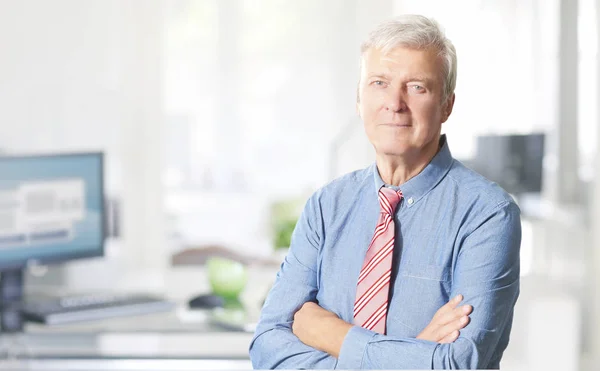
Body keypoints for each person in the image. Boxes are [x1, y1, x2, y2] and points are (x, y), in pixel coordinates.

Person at [249, 14, 521, 369]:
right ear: (360, 100)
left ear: (447, 105)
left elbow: (457, 364)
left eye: (417, 87)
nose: (395, 103)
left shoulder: (487, 214)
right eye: (379, 83)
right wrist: (415, 351)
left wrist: (333, 335)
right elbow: (267, 347)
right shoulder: (326, 207)